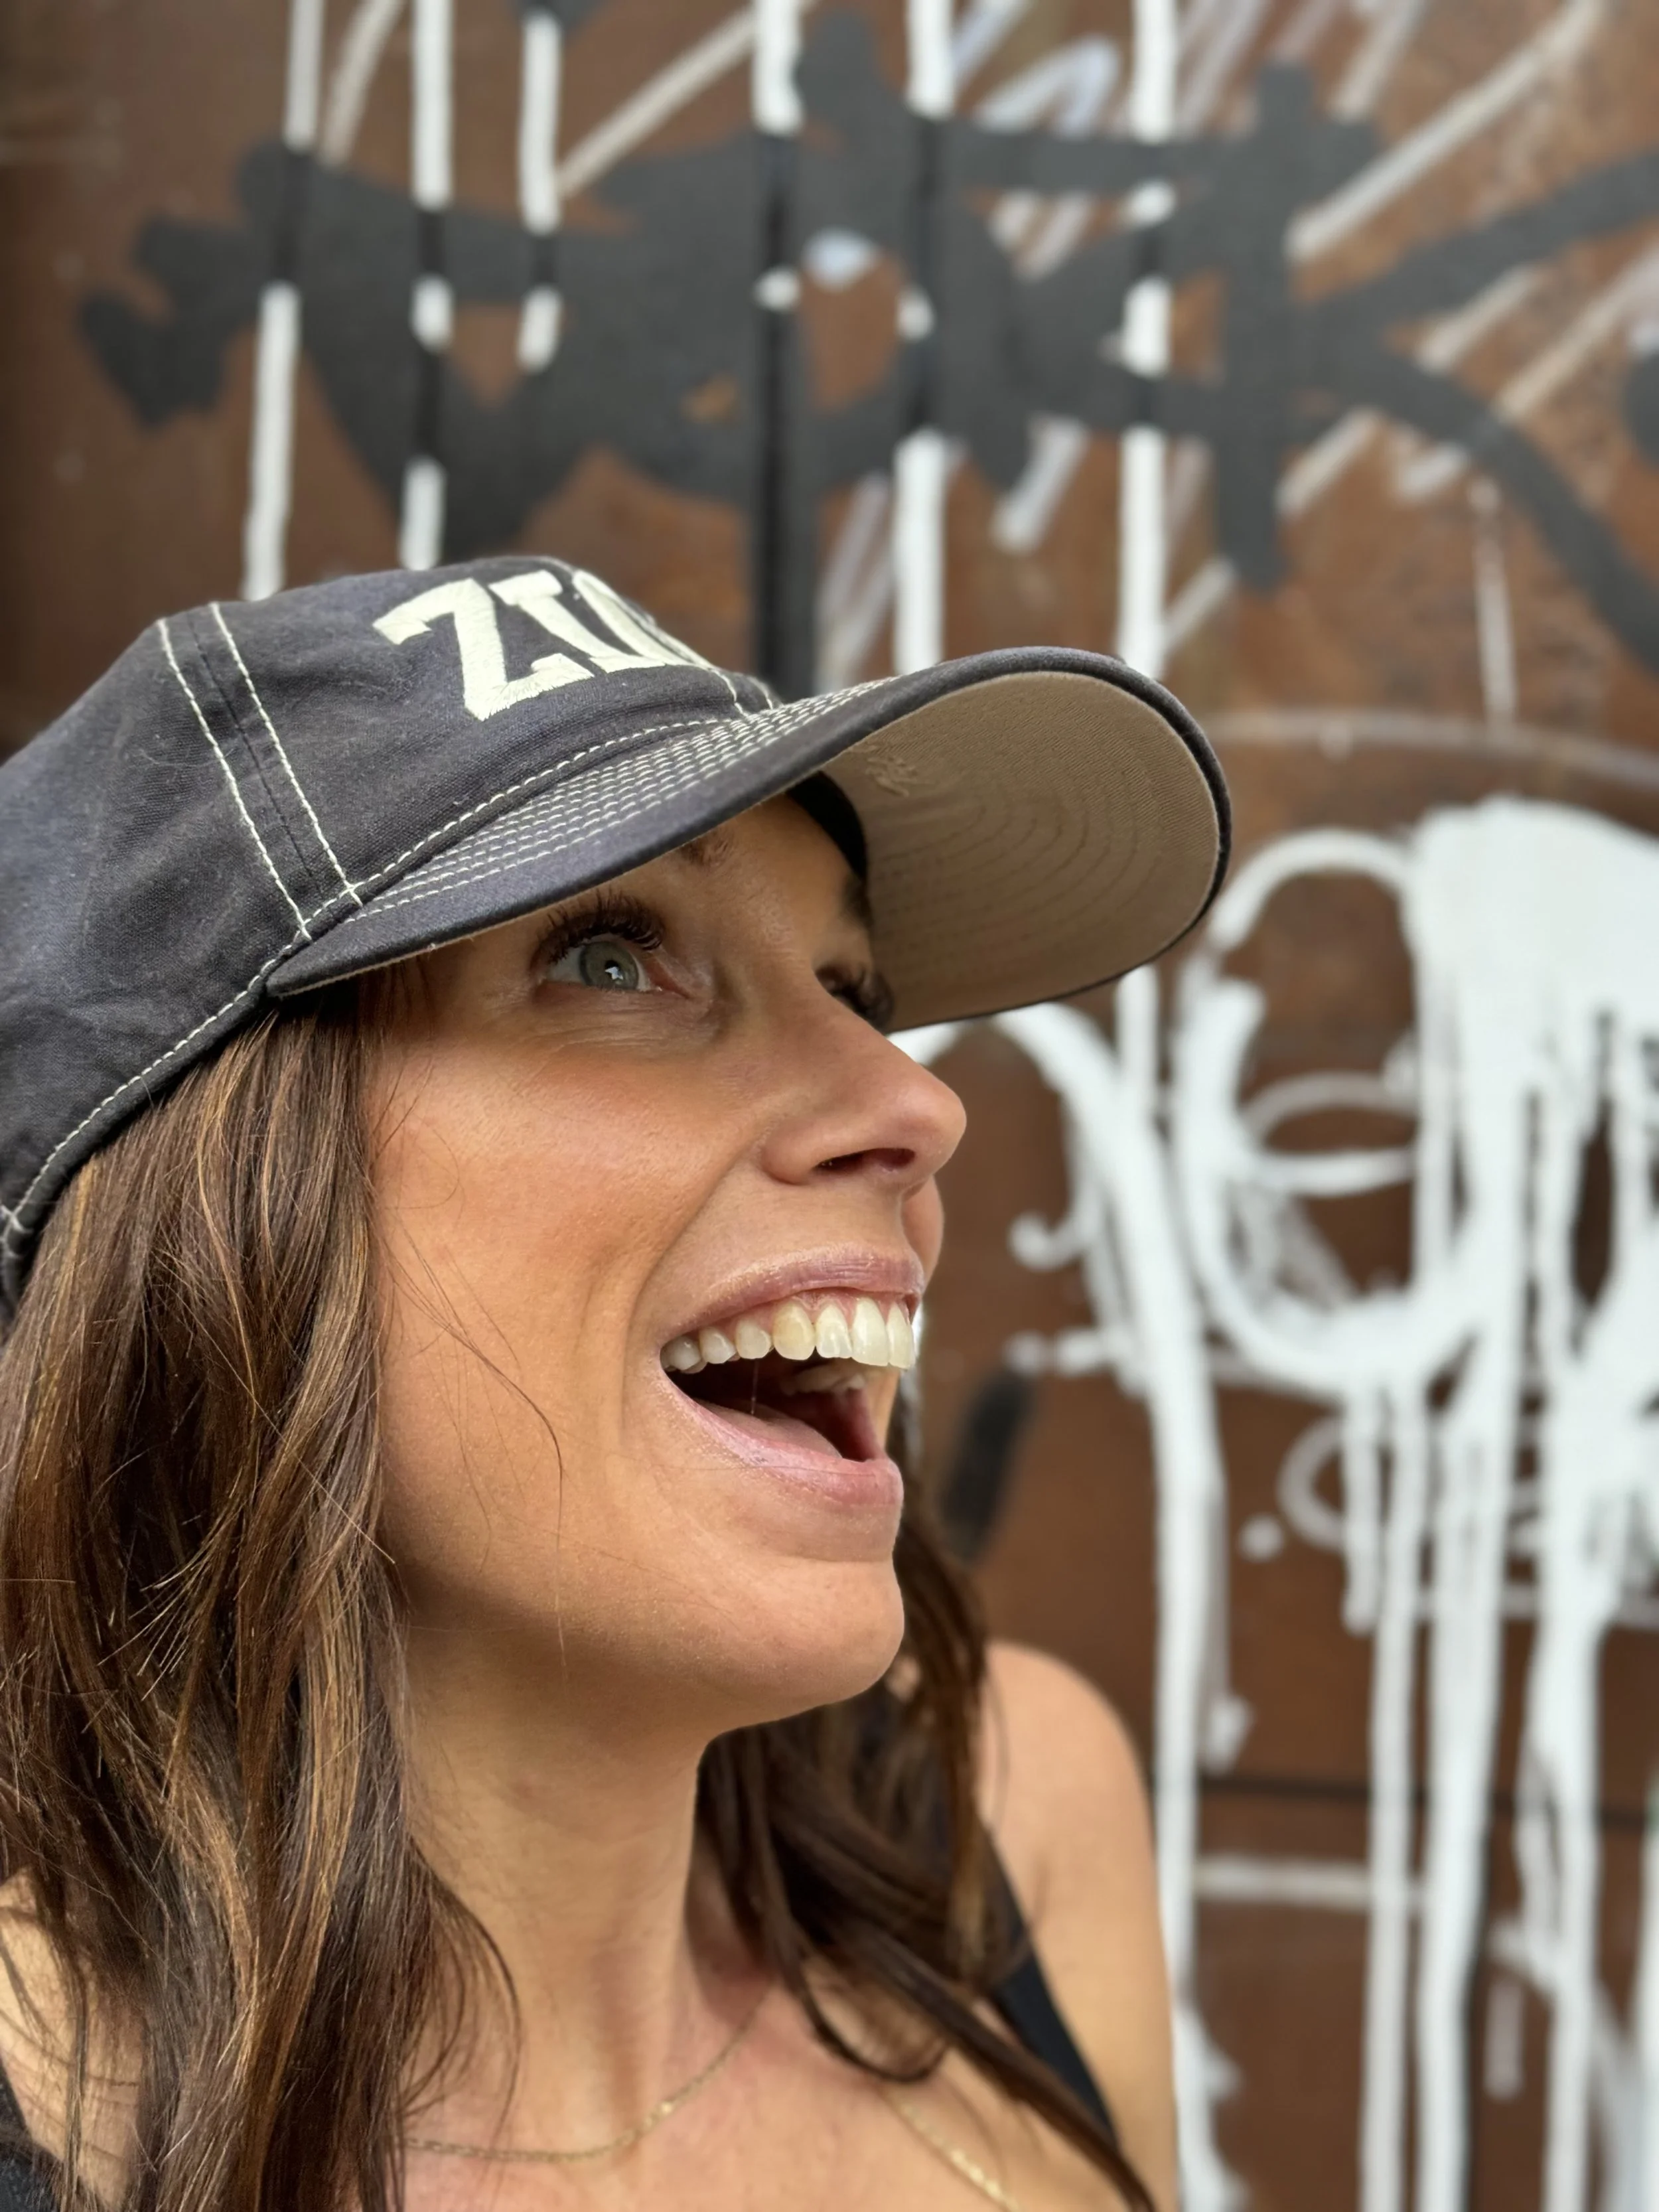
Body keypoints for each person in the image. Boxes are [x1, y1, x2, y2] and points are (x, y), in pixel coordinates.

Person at [0, 557, 1228, 2212]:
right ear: (208, 1232)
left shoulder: (1010, 1829)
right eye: (605, 957)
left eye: (851, 988)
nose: (909, 1101)